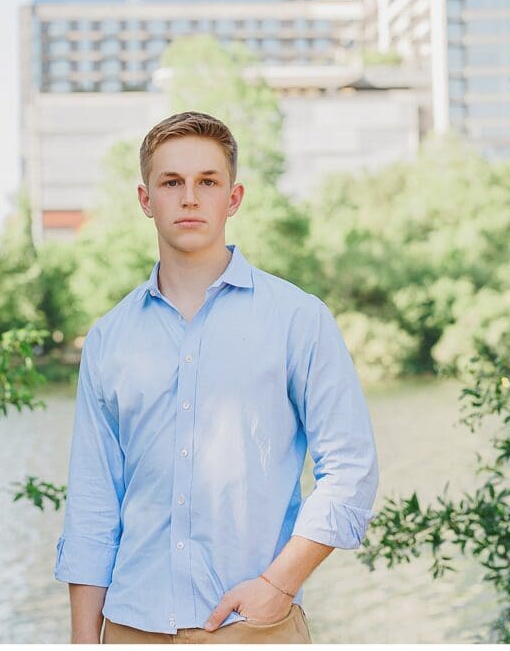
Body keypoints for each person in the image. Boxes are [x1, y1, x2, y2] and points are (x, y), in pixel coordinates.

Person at [53, 111, 379, 644]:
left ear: (233, 198)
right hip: (132, 628)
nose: (189, 198)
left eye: (207, 182)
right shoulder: (110, 338)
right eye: (171, 182)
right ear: (145, 200)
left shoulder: (297, 319)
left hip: (253, 627)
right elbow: (93, 505)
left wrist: (279, 583)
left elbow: (351, 470)